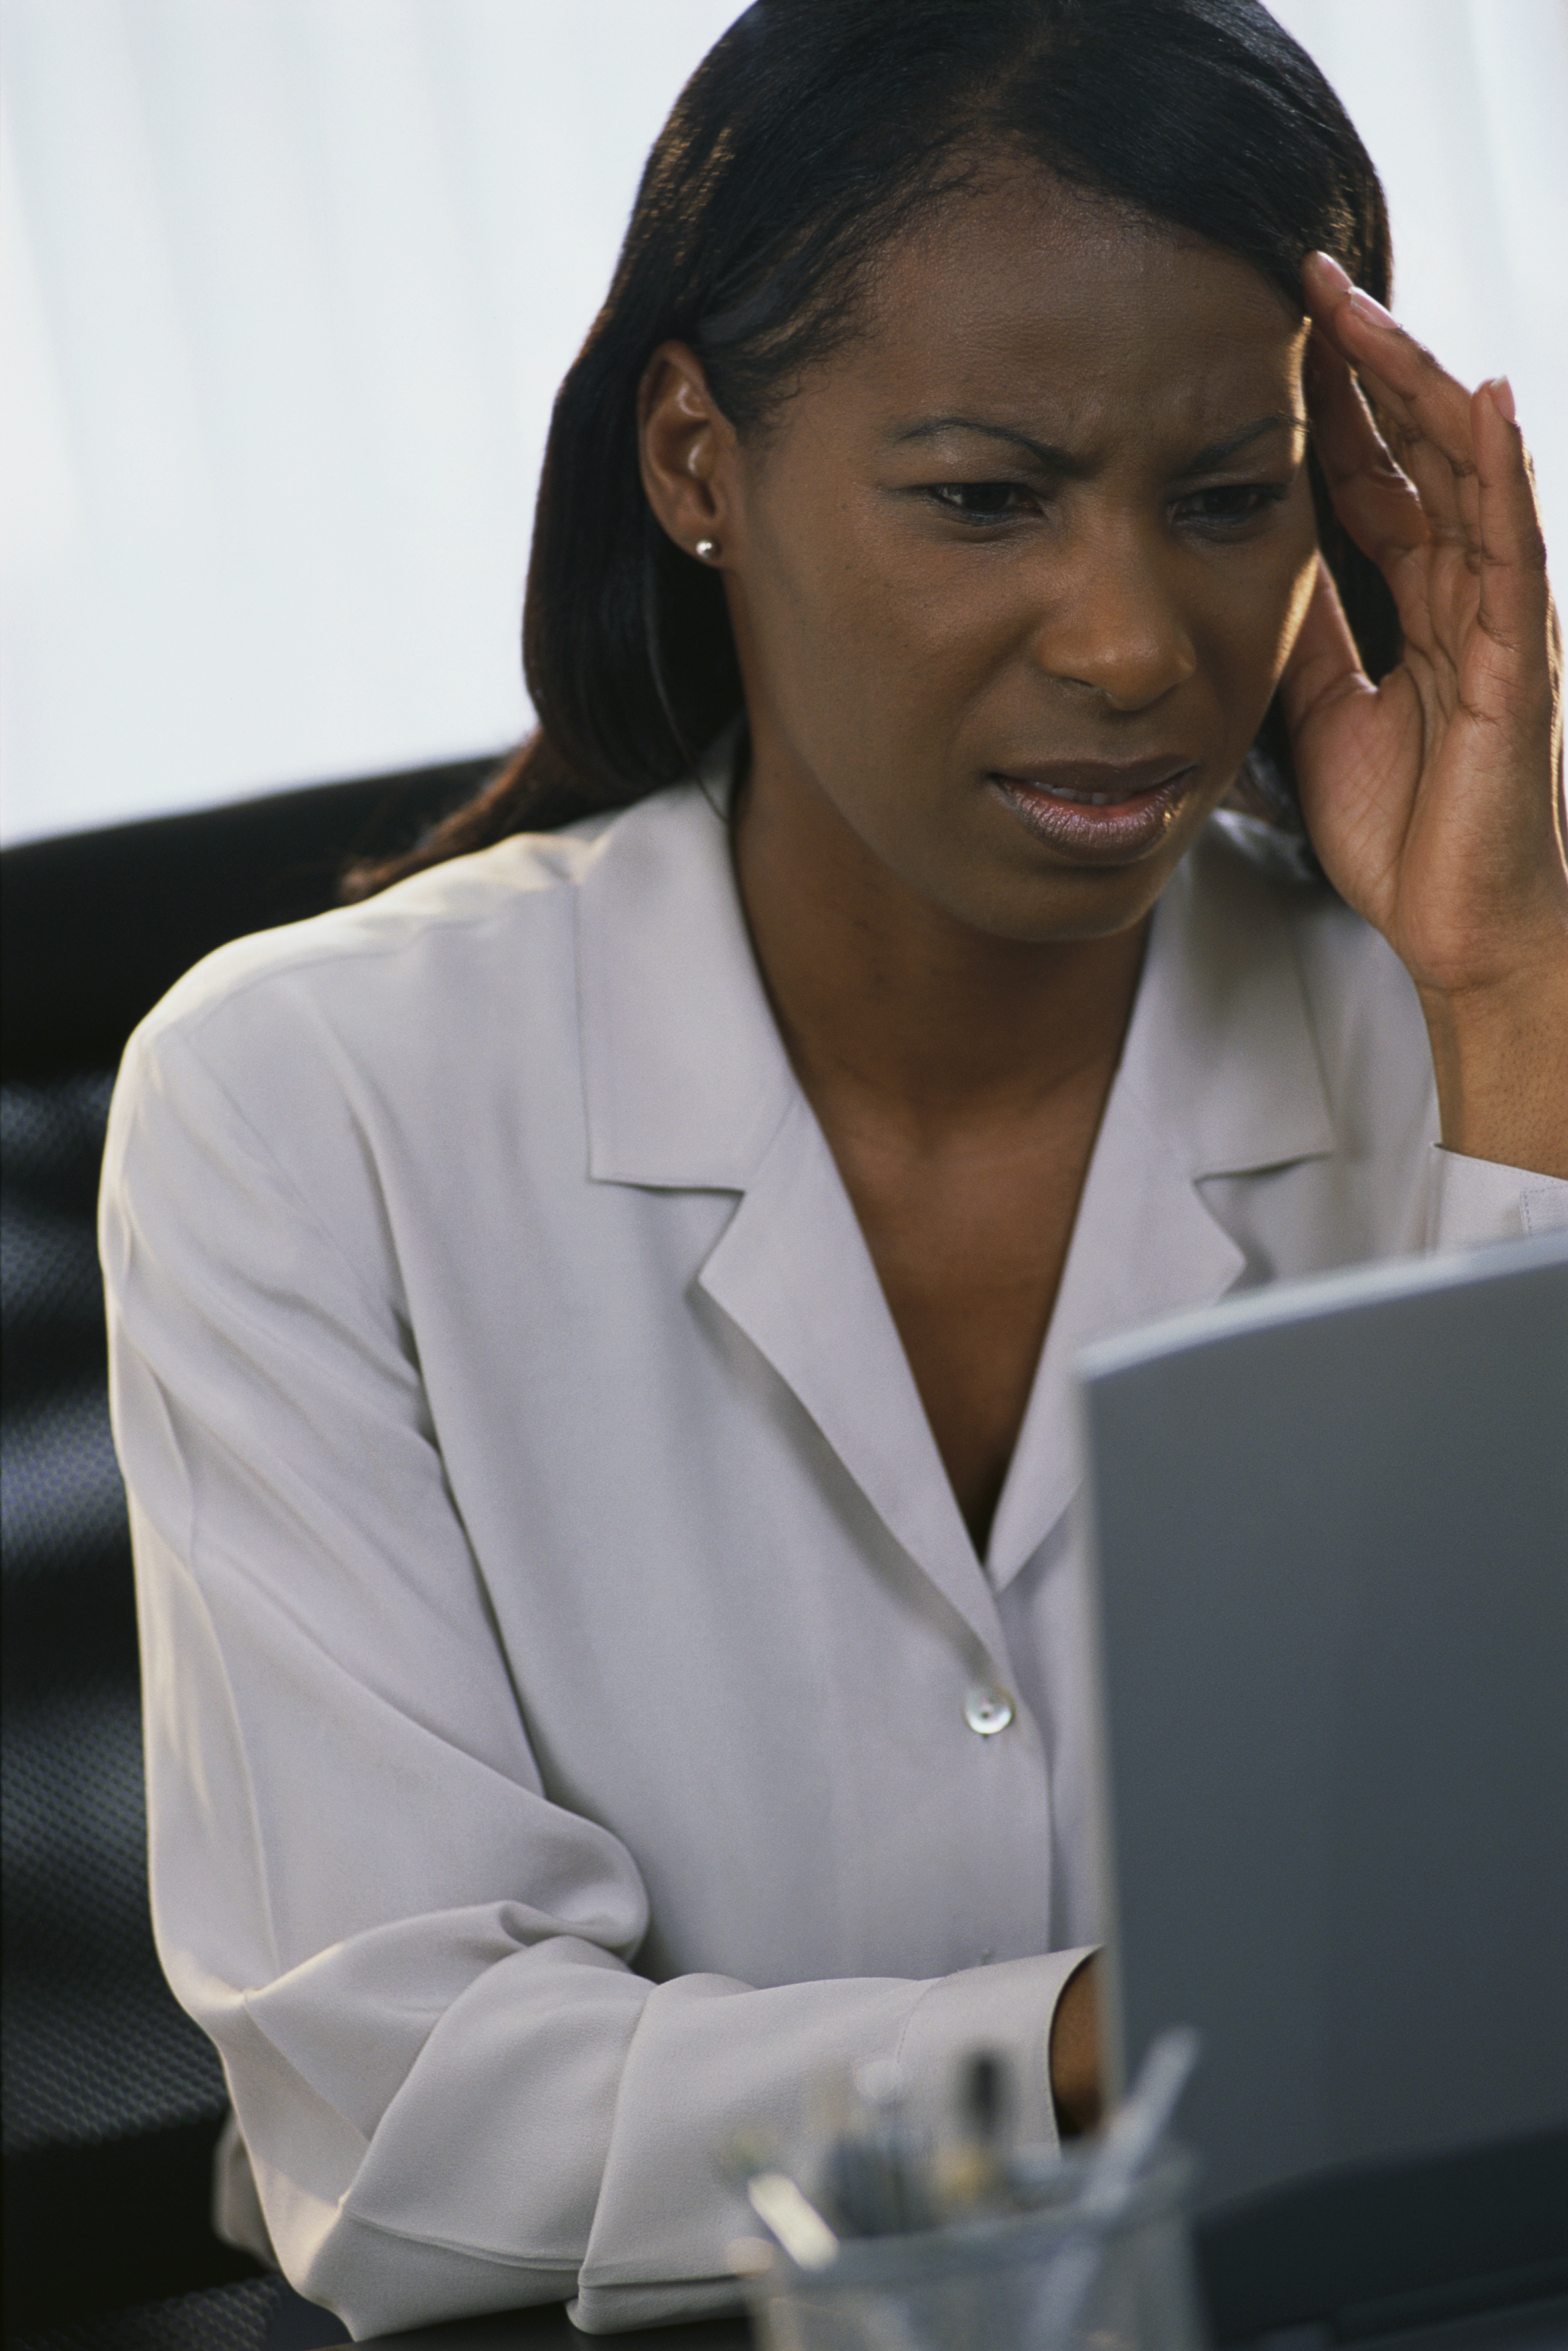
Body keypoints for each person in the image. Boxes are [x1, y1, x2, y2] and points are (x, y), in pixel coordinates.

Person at [100, 0, 1568, 2337]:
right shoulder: (308, 1106)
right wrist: (1142, 2027)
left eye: (1225, 498)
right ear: (696, 454)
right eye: (985, 495)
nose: (1126, 644)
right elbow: (405, 2132)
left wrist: (1511, 1015)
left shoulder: (1475, 1027)